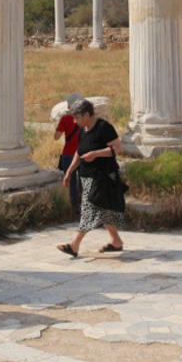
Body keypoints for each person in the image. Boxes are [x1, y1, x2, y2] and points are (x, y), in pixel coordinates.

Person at [56, 99, 126, 257]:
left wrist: (96, 154)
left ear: (87, 114)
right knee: (104, 211)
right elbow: (79, 152)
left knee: (88, 209)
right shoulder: (83, 130)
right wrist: (69, 172)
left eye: (77, 117)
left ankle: (74, 245)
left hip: (102, 177)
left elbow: (118, 148)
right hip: (86, 177)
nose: (75, 121)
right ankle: (116, 241)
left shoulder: (103, 127)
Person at [54, 92, 83, 212]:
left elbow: (56, 137)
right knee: (84, 180)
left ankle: (75, 207)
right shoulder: (85, 118)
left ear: (70, 106)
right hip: (83, 154)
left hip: (68, 154)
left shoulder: (65, 119)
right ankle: (85, 205)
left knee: (70, 181)